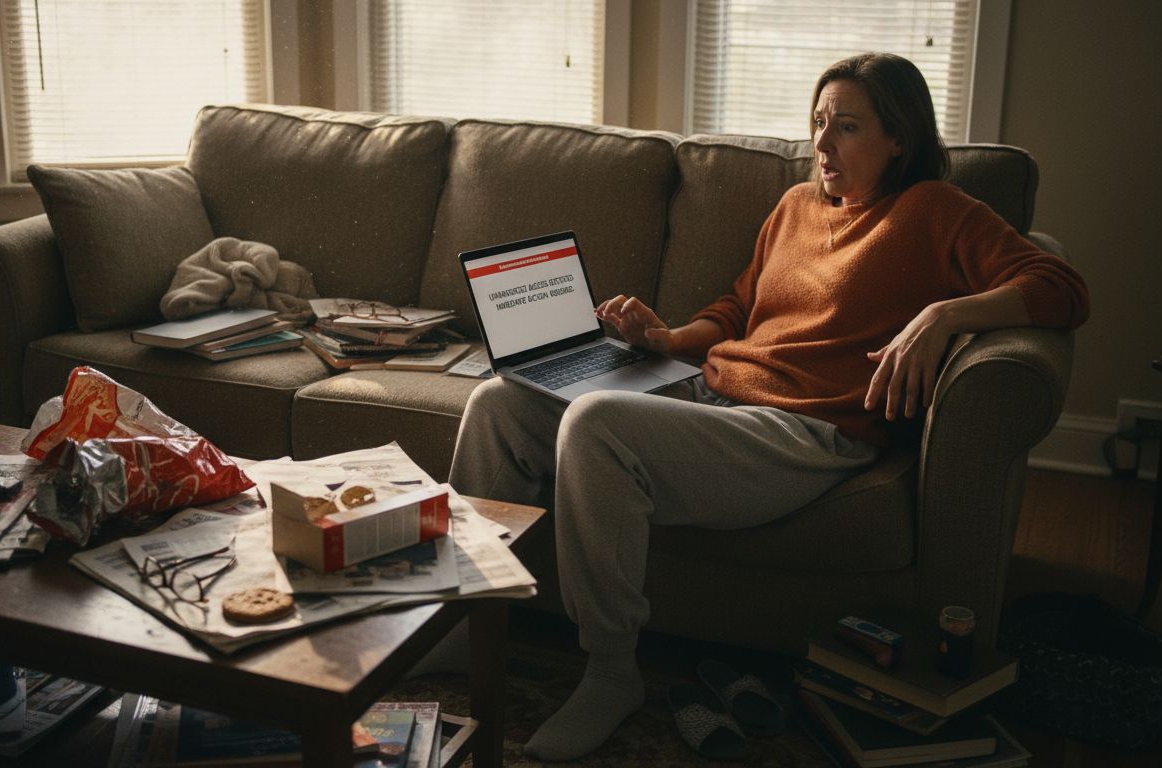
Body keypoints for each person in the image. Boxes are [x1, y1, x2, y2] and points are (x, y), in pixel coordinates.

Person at [446, 52, 1090, 761]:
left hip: (807, 430)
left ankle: (610, 669)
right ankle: (456, 624)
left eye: (847, 127)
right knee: (500, 400)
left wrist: (942, 315)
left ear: (898, 138)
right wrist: (665, 336)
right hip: (710, 390)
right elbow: (738, 307)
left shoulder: (933, 210)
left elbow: (1060, 286)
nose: (822, 143)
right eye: (819, 123)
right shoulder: (793, 207)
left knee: (594, 424)